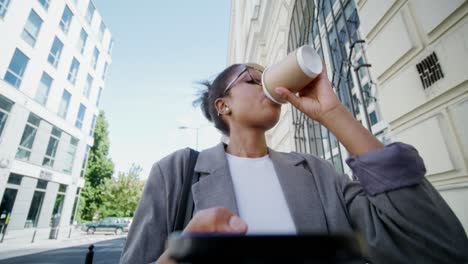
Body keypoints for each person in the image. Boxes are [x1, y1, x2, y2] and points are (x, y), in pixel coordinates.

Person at [120, 63, 468, 264]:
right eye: (254, 79)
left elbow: (434, 245)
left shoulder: (315, 172)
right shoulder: (177, 172)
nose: (270, 85)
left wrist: (333, 114)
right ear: (223, 106)